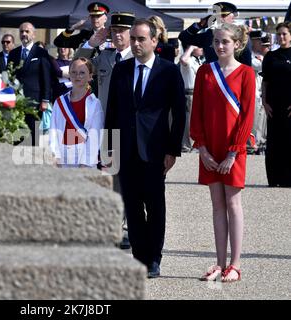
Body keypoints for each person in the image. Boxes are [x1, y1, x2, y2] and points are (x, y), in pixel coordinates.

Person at [104, 19, 186, 278]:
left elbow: (179, 113)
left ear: (154, 41)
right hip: (126, 149)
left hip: (155, 151)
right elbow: (112, 110)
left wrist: (173, 150)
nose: (136, 43)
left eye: (141, 39)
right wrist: (109, 147)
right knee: (133, 206)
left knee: (155, 206)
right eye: (134, 39)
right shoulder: (122, 69)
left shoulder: (168, 71)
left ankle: (154, 258)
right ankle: (139, 258)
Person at [190, 23, 255, 282]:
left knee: (232, 203)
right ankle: (219, 263)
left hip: (233, 149)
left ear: (237, 45)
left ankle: (235, 265)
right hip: (209, 148)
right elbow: (197, 113)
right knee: (217, 205)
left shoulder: (246, 73)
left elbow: (248, 116)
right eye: (216, 41)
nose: (219, 46)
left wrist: (233, 152)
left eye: (225, 41)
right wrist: (201, 148)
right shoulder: (205, 71)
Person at [76, 11, 135, 250]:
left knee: (133, 180)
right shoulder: (105, 57)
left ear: (131, 32)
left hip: (132, 129)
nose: (118, 35)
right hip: (108, 129)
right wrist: (92, 42)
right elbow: (79, 64)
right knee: (113, 179)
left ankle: (134, 227)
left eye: (122, 31)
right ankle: (116, 228)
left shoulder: (139, 58)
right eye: (114, 30)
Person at [49, 57, 104, 168]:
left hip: (83, 157)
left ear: (90, 76)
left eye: (82, 73)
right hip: (62, 157)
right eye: (73, 72)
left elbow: (95, 136)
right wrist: (55, 155)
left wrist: (85, 163)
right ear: (69, 74)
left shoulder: (95, 104)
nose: (77, 76)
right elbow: (53, 131)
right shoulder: (60, 102)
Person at [7, 22, 52, 146]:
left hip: (35, 101)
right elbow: (9, 76)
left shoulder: (41, 53)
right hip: (17, 101)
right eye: (21, 31)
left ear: (34, 34)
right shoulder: (13, 53)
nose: (24, 34)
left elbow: (46, 78)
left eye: (27, 31)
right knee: (17, 133)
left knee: (33, 135)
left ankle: (33, 159)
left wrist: (45, 100)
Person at [261, 21, 291, 187]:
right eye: (279, 34)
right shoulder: (271, 56)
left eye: (284, 34)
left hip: (289, 106)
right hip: (273, 106)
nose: (281, 37)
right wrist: (265, 102)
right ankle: (274, 178)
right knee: (274, 143)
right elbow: (265, 81)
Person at [179, 2, 252, 66]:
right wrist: (200, 25)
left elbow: (246, 64)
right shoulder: (209, 34)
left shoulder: (241, 36)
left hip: (231, 78)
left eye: (223, 16)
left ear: (233, 17)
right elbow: (183, 37)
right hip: (211, 76)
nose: (220, 19)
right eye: (217, 16)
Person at [179, 43, 204, 152]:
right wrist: (191, 48)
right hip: (189, 93)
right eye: (199, 47)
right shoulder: (188, 60)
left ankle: (193, 144)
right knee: (189, 120)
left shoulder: (198, 60)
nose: (202, 49)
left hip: (198, 93)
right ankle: (187, 145)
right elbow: (183, 59)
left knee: (196, 120)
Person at [249, 30, 269, 154]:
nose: (262, 45)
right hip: (253, 94)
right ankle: (252, 146)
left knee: (261, 122)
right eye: (259, 42)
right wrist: (264, 59)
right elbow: (259, 66)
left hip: (261, 93)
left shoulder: (261, 56)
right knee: (254, 123)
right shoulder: (249, 56)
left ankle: (260, 144)